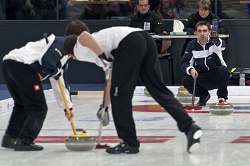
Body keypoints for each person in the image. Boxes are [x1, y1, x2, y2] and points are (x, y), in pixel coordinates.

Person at [63, 25, 202, 154]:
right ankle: (189, 127)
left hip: (129, 43)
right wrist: (104, 107)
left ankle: (130, 142)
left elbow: (83, 36)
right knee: (158, 90)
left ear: (71, 55)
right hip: (144, 38)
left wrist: (102, 56)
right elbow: (111, 78)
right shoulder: (99, 48)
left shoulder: (78, 48)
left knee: (121, 97)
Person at [1, 33, 74, 151]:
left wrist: (68, 108)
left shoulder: (63, 54)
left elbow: (58, 82)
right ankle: (24, 141)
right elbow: (46, 61)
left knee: (22, 105)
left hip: (8, 64)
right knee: (39, 108)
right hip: (23, 68)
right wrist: (55, 72)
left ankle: (10, 137)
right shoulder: (61, 44)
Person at [181, 20, 230, 106]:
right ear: (195, 32)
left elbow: (222, 46)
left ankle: (222, 98)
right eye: (199, 31)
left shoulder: (214, 42)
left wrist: (217, 41)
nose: (202, 34)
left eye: (205, 31)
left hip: (216, 75)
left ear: (209, 32)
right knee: (186, 80)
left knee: (224, 70)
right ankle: (204, 96)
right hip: (201, 76)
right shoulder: (191, 45)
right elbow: (184, 62)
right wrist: (191, 69)